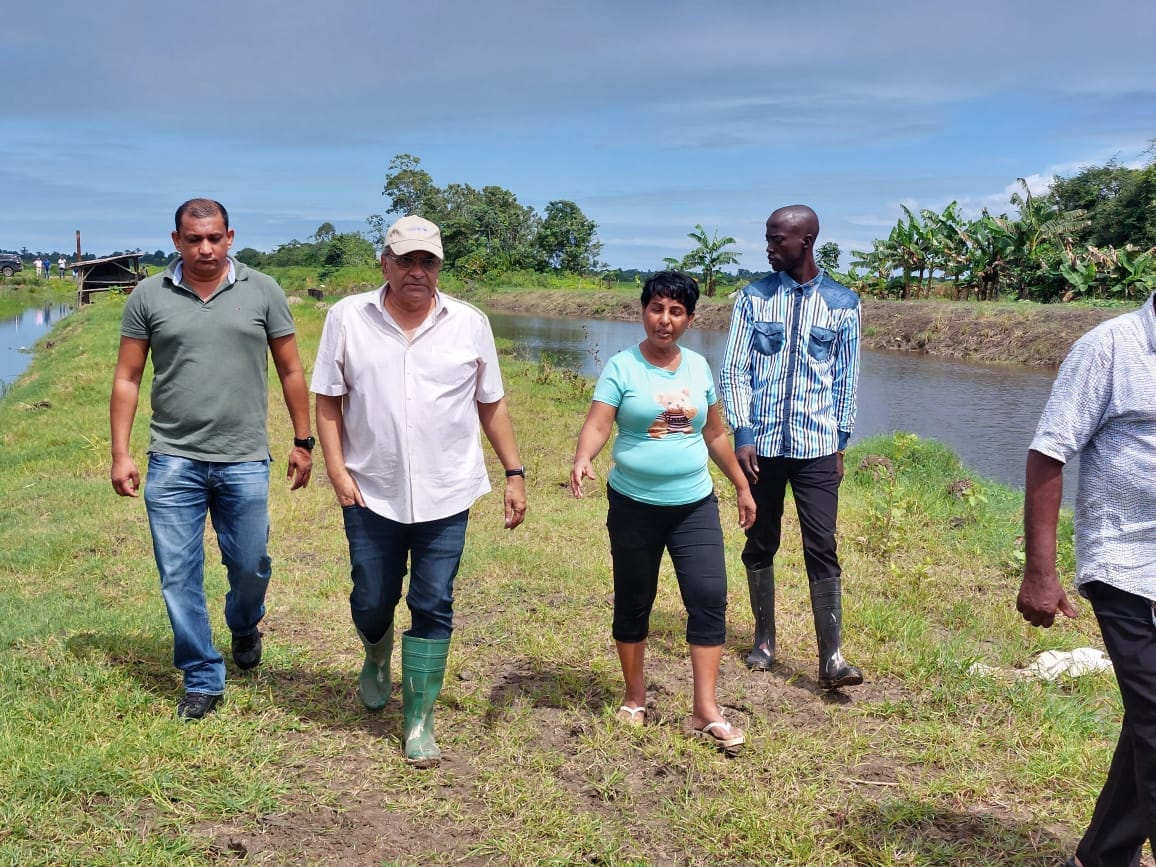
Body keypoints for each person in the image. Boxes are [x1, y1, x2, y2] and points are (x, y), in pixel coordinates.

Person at [311, 215, 526, 767]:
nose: (415, 271)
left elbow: (491, 403)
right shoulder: (346, 318)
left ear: (438, 268)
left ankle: (419, 719)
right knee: (372, 598)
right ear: (384, 263)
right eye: (404, 260)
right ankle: (377, 652)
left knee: (433, 600)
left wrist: (514, 473)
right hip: (369, 490)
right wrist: (337, 471)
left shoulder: (470, 324)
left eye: (426, 261)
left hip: (446, 492)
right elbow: (329, 401)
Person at [110, 198, 314, 720]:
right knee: (178, 573)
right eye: (194, 238)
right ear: (176, 240)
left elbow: (291, 369)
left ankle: (245, 623)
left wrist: (303, 440)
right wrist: (121, 452)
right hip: (172, 459)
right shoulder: (148, 295)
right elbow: (128, 377)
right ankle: (202, 674)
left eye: (215, 237)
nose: (205, 248)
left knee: (251, 565)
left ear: (230, 237)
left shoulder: (262, 290)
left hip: (243, 458)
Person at [570, 270, 756, 750]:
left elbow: (714, 433)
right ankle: (635, 696)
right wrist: (582, 457)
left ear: (690, 318)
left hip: (693, 504)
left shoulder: (698, 368)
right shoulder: (622, 367)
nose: (664, 320)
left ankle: (705, 709)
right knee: (634, 598)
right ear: (644, 311)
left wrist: (740, 485)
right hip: (633, 504)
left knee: (709, 594)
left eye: (676, 311)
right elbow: (598, 424)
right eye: (656, 308)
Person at [1016, 291, 1156, 867]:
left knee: (1149, 719)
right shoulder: (1110, 348)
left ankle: (1099, 857)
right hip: (1125, 563)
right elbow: (1049, 453)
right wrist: (1040, 574)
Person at [718, 204, 864, 690]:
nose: (768, 247)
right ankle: (764, 639)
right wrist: (742, 433)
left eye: (777, 239)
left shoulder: (843, 303)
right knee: (761, 540)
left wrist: (841, 441)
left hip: (818, 445)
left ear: (805, 242)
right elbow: (735, 369)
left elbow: (847, 380)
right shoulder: (753, 300)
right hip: (761, 446)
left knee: (821, 543)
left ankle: (832, 657)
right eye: (768, 238)